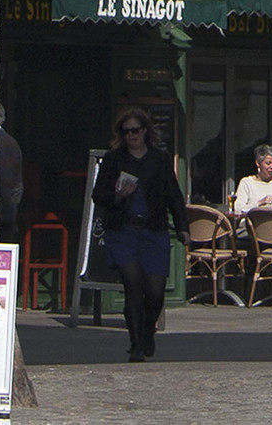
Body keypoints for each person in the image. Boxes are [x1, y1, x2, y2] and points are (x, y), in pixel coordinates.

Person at [93, 106, 188, 362]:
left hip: (153, 230)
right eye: (126, 132)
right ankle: (135, 344)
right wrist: (116, 196)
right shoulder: (114, 159)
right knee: (133, 285)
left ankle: (148, 332)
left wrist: (182, 227)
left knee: (155, 292)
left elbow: (173, 195)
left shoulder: (159, 159)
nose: (131, 136)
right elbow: (98, 195)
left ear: (145, 131)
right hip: (123, 231)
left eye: (135, 131)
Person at [0, 106, 23, 243]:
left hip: (1, 212)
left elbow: (7, 182)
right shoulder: (11, 143)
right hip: (7, 211)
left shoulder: (1, 142)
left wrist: (7, 211)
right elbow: (17, 186)